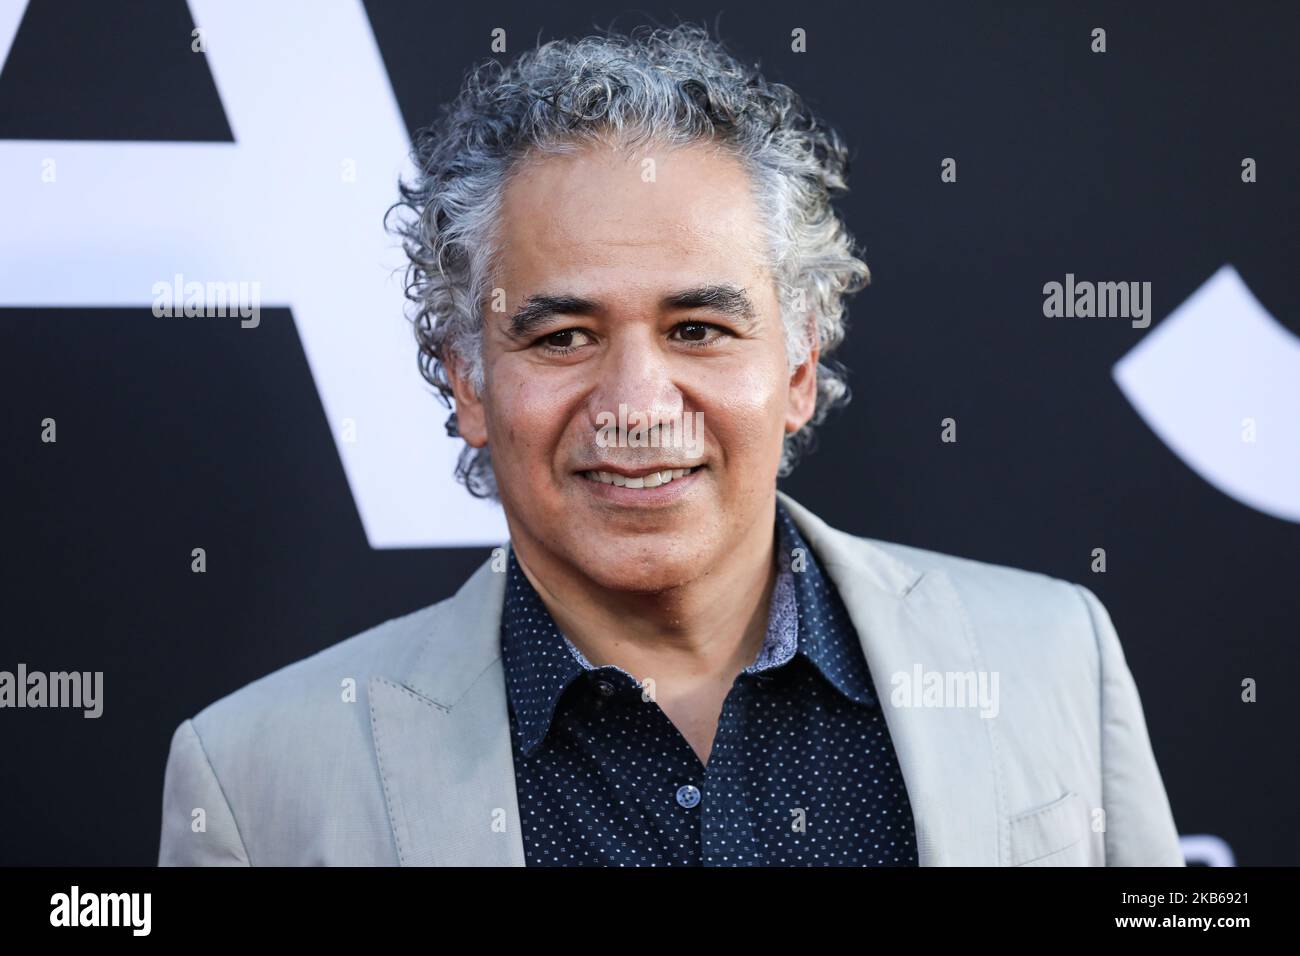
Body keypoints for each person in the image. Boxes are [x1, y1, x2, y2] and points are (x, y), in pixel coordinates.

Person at [158, 23, 1182, 866]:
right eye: (563, 337)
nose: (637, 404)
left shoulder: (1051, 657)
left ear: (793, 367)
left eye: (698, 328)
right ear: (468, 381)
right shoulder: (259, 781)